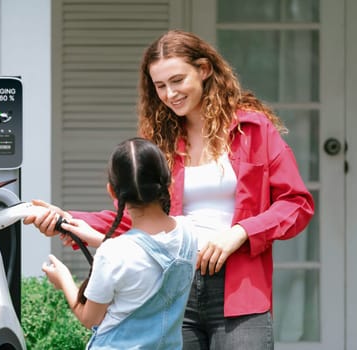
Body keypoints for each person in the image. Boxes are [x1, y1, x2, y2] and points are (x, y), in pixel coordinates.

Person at [26, 29, 314, 349]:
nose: (169, 93)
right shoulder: (161, 140)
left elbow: (297, 204)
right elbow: (143, 216)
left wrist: (240, 232)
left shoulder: (253, 130)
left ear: (204, 70)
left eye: (177, 80)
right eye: (160, 85)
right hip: (175, 290)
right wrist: (68, 219)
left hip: (241, 291)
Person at [40, 137, 198, 349]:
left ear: (112, 192)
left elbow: (90, 318)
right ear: (168, 183)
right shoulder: (188, 233)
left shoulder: (114, 253)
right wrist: (99, 240)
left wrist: (64, 280)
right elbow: (151, 254)